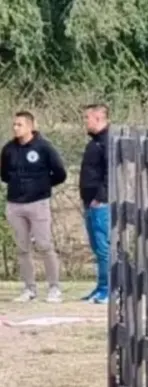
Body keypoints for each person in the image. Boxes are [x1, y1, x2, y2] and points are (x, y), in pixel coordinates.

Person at [0, 111, 67, 303]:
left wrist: (41, 186)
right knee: (22, 249)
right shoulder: (8, 149)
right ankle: (29, 289)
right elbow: (4, 174)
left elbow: (60, 173)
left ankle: (54, 288)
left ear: (30, 126)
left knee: (44, 246)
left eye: (19, 124)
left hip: (38, 203)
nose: (15, 128)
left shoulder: (44, 147)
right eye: (14, 124)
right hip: (15, 204)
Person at [79, 104, 111, 305]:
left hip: (101, 203)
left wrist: (100, 197)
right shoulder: (94, 142)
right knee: (96, 246)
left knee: (103, 247)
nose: (85, 122)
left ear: (98, 118)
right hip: (89, 202)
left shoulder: (107, 142)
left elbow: (111, 172)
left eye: (87, 118)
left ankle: (108, 289)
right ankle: (100, 287)